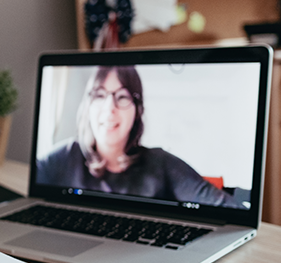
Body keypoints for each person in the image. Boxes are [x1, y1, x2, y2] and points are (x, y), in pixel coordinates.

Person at [36, 66, 241, 208]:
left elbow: (226, 207)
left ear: (138, 110)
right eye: (99, 95)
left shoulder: (161, 164)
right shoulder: (61, 159)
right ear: (88, 106)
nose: (110, 109)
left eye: (122, 97)